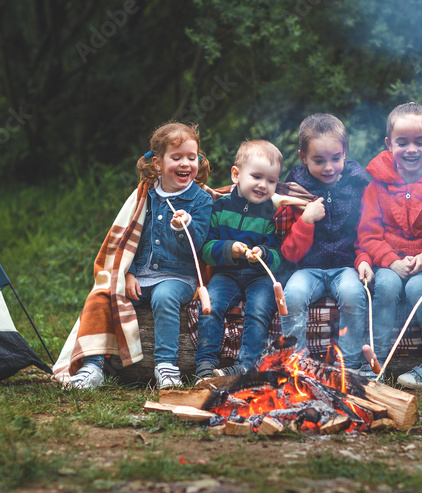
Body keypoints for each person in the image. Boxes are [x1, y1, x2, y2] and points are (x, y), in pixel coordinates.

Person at [54, 122, 213, 390]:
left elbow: (197, 247)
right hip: (140, 276)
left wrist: (182, 227)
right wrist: (127, 273)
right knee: (103, 294)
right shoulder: (145, 195)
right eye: (176, 158)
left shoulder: (200, 200)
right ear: (158, 164)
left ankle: (166, 366)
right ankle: (93, 365)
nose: (186, 163)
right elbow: (130, 241)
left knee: (165, 296)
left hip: (178, 278)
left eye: (192, 156)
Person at [354, 102, 422, 389]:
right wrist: (389, 259)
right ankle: (377, 362)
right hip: (389, 260)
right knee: (385, 285)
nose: (411, 149)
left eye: (419, 142)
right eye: (402, 142)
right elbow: (368, 233)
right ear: (389, 144)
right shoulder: (377, 185)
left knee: (416, 288)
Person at [278, 113, 371, 375]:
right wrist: (306, 222)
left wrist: (363, 259)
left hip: (346, 266)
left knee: (354, 294)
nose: (328, 167)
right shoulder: (294, 192)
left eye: (336, 158)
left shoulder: (359, 186)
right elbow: (289, 253)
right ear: (303, 157)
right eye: (319, 160)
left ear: (345, 153)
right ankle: (296, 360)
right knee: (293, 295)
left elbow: (367, 231)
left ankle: (350, 363)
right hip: (308, 268)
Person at [194, 140, 283, 380]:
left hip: (259, 277)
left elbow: (278, 257)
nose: (263, 185)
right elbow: (205, 249)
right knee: (211, 305)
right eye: (256, 176)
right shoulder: (220, 207)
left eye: (271, 180)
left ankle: (246, 365)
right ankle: (204, 363)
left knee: (259, 309)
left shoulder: (273, 214)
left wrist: (263, 253)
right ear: (236, 174)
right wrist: (229, 249)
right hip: (226, 274)